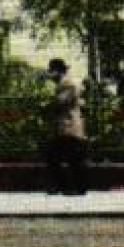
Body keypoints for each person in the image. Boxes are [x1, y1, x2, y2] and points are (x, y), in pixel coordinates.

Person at [43, 58, 88, 196]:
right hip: (67, 126)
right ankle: (69, 188)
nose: (50, 75)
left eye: (51, 72)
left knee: (67, 157)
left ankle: (71, 188)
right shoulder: (68, 82)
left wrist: (47, 104)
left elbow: (61, 102)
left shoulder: (68, 83)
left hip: (68, 126)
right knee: (68, 157)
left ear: (58, 71)